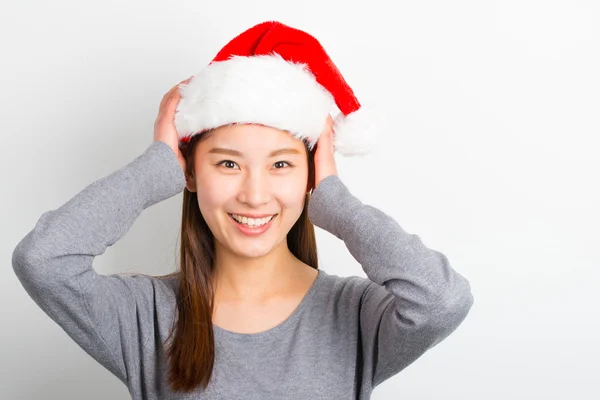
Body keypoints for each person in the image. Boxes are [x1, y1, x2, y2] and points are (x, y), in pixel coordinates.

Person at [12, 21, 474, 400]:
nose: (255, 195)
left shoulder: (353, 313)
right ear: (189, 174)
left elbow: (442, 300)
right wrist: (155, 169)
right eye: (228, 163)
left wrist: (334, 201)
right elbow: (43, 260)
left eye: (281, 164)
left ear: (311, 175)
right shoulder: (147, 316)